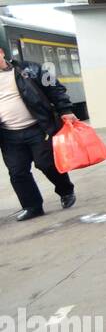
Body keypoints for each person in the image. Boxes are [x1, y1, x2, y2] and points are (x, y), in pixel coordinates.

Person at [0, 45, 76, 220]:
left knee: (46, 163)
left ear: (2, 52)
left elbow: (55, 88)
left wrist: (65, 110)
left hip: (38, 128)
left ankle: (66, 190)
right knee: (17, 172)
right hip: (8, 134)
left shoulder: (32, 68)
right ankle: (32, 206)